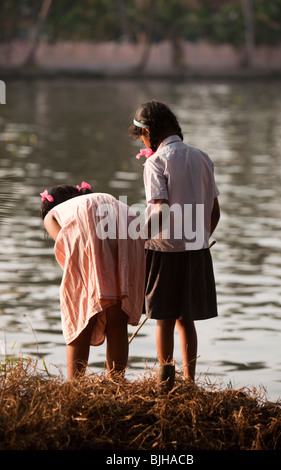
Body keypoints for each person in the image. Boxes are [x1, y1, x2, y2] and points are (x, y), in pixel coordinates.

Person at [129, 100, 220, 382]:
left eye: (142, 136)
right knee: (186, 318)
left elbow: (161, 210)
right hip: (196, 250)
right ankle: (190, 381)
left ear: (148, 132)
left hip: (164, 251)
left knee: (164, 319)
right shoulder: (202, 156)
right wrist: (200, 238)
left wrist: (137, 240)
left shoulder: (156, 162)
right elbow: (214, 211)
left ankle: (165, 380)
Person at [40, 182, 145, 380]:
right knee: (117, 320)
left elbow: (67, 247)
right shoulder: (99, 197)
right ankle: (116, 383)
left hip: (87, 224)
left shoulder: (52, 214)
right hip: (128, 220)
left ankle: (75, 387)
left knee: (82, 316)